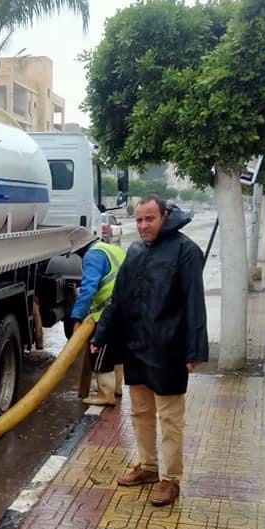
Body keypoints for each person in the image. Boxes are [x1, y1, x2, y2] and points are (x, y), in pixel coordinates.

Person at [92, 195, 208, 506]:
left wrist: (194, 350)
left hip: (169, 348)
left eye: (149, 219)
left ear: (164, 217)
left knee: (169, 417)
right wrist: (101, 334)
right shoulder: (135, 251)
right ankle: (147, 466)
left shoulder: (185, 251)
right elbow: (118, 299)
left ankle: (170, 479)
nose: (143, 225)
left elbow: (194, 302)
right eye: (139, 220)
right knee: (140, 412)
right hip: (137, 346)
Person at [71, 236, 126, 405]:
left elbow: (88, 289)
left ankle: (105, 395)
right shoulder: (111, 249)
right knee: (116, 352)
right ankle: (117, 388)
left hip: (107, 313)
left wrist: (77, 317)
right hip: (125, 309)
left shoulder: (92, 255)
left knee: (99, 354)